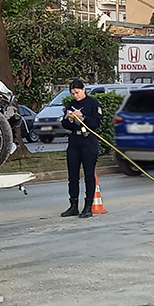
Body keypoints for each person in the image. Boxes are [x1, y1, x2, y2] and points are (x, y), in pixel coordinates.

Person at [60, 79, 103, 218]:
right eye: (73, 93)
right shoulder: (71, 105)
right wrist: (70, 119)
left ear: (83, 89)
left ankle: (88, 206)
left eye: (77, 92)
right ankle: (73, 205)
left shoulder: (92, 103)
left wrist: (82, 117)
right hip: (74, 141)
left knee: (89, 175)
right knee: (73, 175)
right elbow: (64, 123)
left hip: (88, 141)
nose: (75, 96)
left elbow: (96, 123)